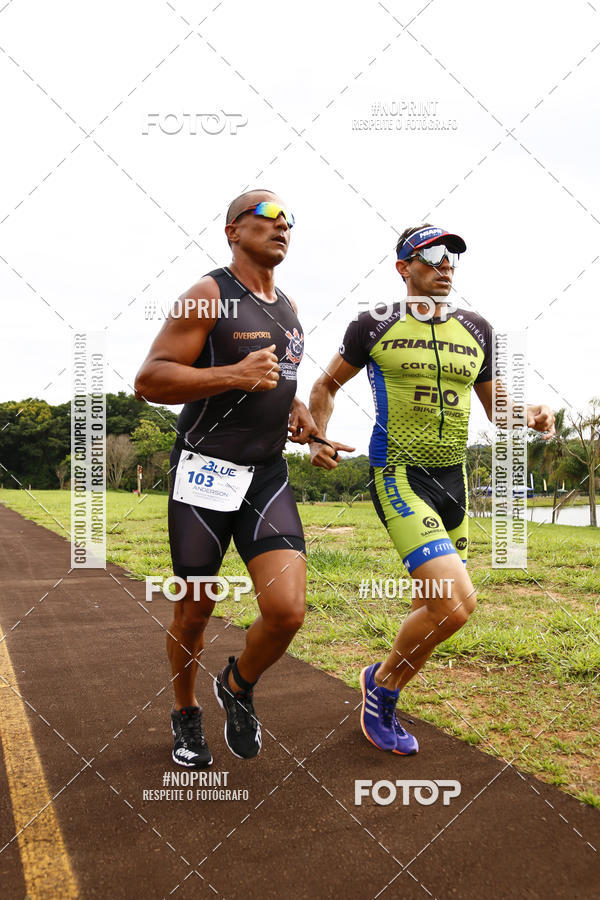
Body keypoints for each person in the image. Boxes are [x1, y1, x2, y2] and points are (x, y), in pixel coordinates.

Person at [308, 223, 555, 755]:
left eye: (453, 257)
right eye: (434, 255)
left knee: (435, 608)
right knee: (457, 603)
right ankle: (383, 689)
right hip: (398, 475)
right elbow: (325, 385)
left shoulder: (477, 327)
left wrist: (530, 413)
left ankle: (382, 679)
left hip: (453, 481)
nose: (446, 265)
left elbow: (498, 409)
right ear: (404, 268)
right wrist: (317, 438)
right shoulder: (372, 324)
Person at [134, 189, 317, 766]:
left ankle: (236, 684)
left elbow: (278, 383)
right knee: (196, 607)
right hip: (205, 473)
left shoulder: (287, 306)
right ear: (233, 230)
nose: (282, 225)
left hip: (265, 476)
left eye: (289, 220)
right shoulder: (207, 295)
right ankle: (186, 712)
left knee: (287, 611)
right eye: (267, 216)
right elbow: (151, 378)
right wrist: (233, 373)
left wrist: (299, 416)